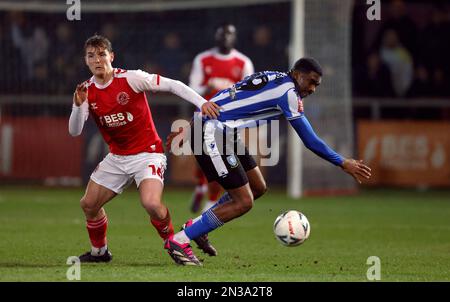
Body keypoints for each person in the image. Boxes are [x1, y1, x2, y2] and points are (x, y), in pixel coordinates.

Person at [165, 57, 372, 266]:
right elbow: (310, 141)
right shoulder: (288, 94)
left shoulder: (275, 76)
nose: (312, 89)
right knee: (244, 201)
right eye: (311, 82)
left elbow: (225, 96)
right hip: (211, 133)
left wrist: (192, 124)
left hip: (222, 132)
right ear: (298, 75)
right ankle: (180, 241)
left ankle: (199, 227)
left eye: (316, 85)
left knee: (258, 187)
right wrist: (343, 162)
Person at [68, 35, 219, 263]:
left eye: (101, 54)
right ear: (85, 60)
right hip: (117, 157)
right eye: (91, 55)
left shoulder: (132, 78)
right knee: (88, 204)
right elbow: (75, 131)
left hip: (148, 153)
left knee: (151, 204)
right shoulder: (85, 91)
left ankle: (176, 243)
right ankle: (100, 252)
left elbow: (173, 85)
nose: (97, 59)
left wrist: (202, 103)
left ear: (111, 56)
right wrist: (78, 106)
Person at [188, 23, 254, 217]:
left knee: (220, 162)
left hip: (228, 122)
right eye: (222, 35)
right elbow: (193, 88)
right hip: (203, 118)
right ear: (216, 37)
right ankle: (201, 188)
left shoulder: (243, 62)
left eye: (229, 35)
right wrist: (209, 84)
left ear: (235, 38)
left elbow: (249, 92)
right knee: (203, 162)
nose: (225, 39)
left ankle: (210, 203)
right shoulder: (203, 59)